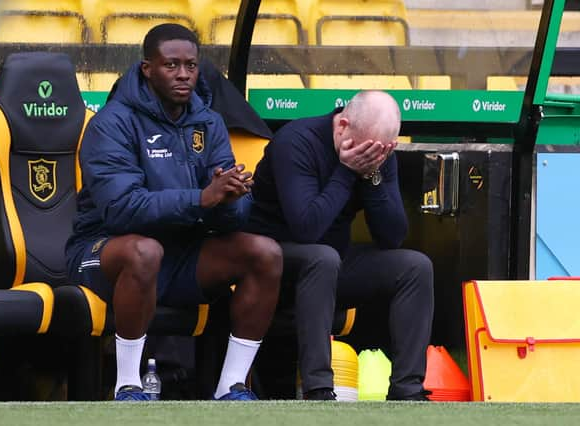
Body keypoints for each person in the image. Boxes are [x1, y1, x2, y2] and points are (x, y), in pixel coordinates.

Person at [65, 23, 282, 401]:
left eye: (191, 66)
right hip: (104, 251)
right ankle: (128, 385)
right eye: (171, 65)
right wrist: (202, 199)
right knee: (144, 250)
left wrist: (229, 201)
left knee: (264, 253)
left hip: (181, 253)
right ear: (148, 68)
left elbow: (232, 211)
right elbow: (121, 210)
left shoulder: (208, 121)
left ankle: (231, 387)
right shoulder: (111, 123)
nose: (183, 75)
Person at [246, 90, 434, 401]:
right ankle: (318, 388)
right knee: (322, 257)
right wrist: (346, 172)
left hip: (331, 264)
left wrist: (373, 174)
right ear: (343, 125)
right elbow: (306, 228)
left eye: (382, 152)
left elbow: (391, 236)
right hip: (273, 263)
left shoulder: (377, 155)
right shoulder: (297, 141)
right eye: (368, 151)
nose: (372, 156)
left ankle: (407, 390)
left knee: (415, 266)